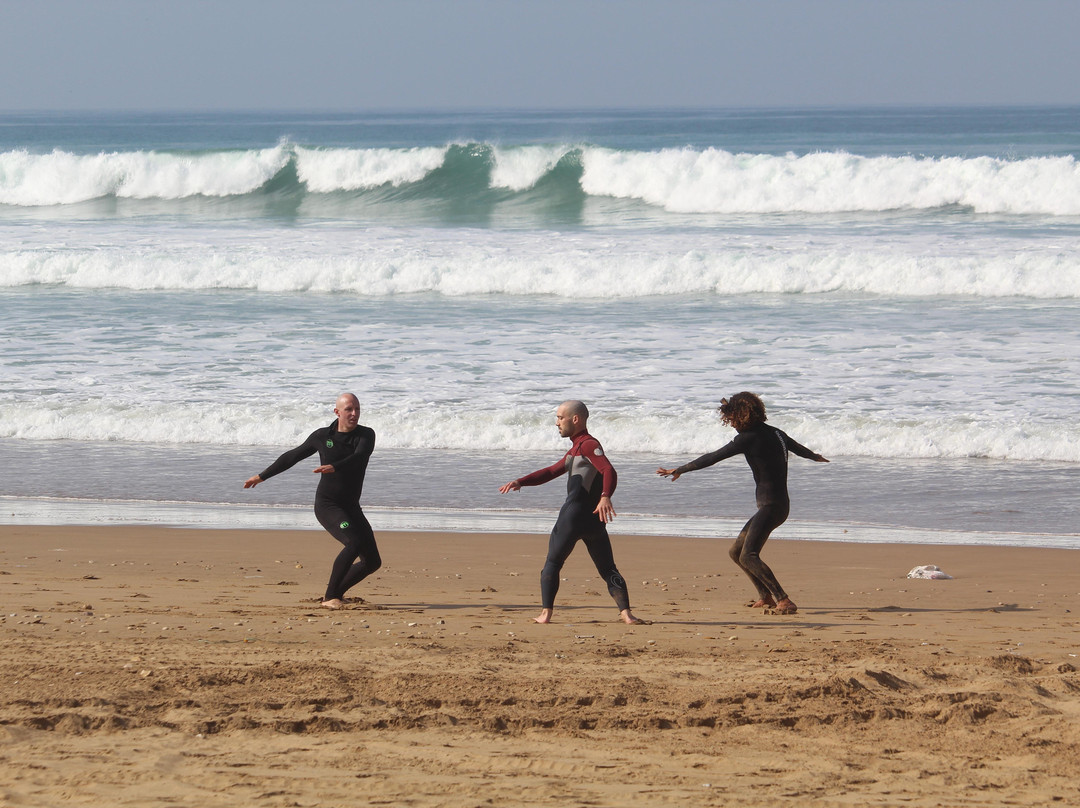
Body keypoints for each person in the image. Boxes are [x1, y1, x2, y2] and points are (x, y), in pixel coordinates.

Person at [656, 392, 828, 615]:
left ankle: (783, 599)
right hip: (778, 505)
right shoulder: (776, 432)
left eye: (732, 419)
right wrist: (815, 456)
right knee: (736, 551)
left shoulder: (748, 438)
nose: (732, 425)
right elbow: (799, 449)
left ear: (741, 416)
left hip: (771, 507)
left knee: (748, 555)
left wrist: (679, 469)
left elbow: (713, 457)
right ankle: (764, 595)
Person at [499, 400, 644, 625]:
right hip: (595, 521)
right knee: (608, 568)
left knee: (553, 563)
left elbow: (608, 470)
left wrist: (606, 496)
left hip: (573, 517)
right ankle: (626, 614)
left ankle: (546, 614)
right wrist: (521, 481)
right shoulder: (576, 448)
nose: (556, 422)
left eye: (560, 417)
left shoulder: (588, 445)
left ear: (575, 419)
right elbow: (550, 471)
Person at [244, 393, 380, 610]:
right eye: (349, 409)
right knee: (353, 543)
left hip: (351, 506)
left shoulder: (366, 435)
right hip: (328, 505)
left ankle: (336, 593)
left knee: (372, 561)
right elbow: (293, 456)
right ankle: (330, 597)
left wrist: (336, 466)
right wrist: (262, 476)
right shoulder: (322, 436)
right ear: (337, 412)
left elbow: (360, 456)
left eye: (357, 409)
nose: (354, 414)